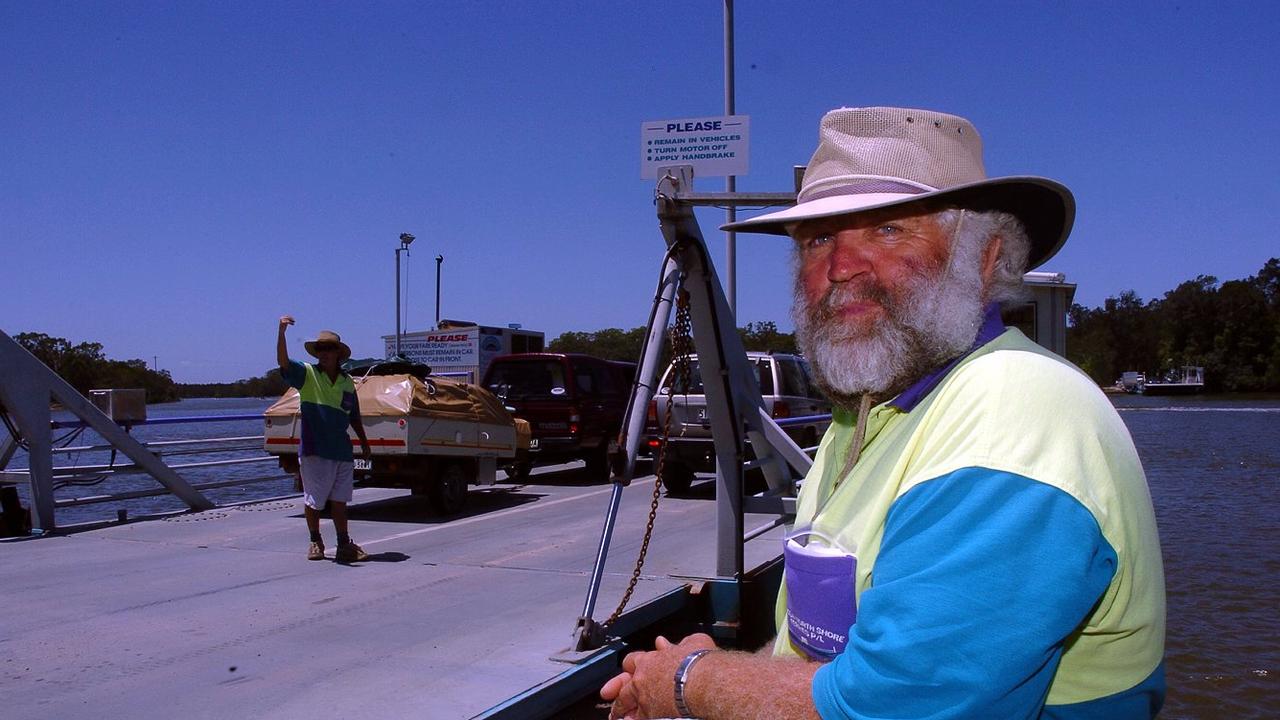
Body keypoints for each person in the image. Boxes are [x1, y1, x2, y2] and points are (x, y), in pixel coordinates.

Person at [601, 107, 1166, 719]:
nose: (841, 269)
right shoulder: (865, 419)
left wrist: (689, 683)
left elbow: (896, 706)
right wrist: (732, 673)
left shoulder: (1016, 408)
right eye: (819, 239)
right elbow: (827, 654)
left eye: (889, 229)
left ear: (985, 259)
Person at [277, 316, 373, 562]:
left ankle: (343, 544)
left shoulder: (347, 382)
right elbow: (284, 363)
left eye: (329, 349)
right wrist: (282, 332)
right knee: (314, 501)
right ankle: (315, 540)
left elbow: (354, 415)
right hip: (315, 450)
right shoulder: (307, 374)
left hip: (341, 450)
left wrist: (363, 442)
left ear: (338, 353)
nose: (324, 353)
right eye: (321, 349)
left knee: (340, 501)